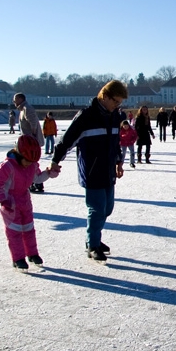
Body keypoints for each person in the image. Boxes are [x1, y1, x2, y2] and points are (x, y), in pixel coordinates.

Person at [50, 80, 128, 262]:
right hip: (92, 171)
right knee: (96, 209)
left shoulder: (115, 116)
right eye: (116, 101)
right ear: (105, 97)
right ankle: (93, 244)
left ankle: (93, 239)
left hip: (108, 170)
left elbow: (115, 142)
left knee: (107, 209)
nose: (118, 105)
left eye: (120, 103)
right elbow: (66, 140)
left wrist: (119, 162)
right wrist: (55, 160)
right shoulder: (86, 116)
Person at [0, 135, 58, 271]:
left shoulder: (31, 165)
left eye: (32, 162)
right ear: (19, 154)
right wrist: (4, 200)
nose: (29, 164)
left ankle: (32, 254)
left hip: (25, 200)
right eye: (27, 160)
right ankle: (18, 258)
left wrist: (49, 173)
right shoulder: (7, 167)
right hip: (10, 203)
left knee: (28, 228)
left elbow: (37, 178)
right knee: (14, 231)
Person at [13, 93, 45, 193]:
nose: (14, 102)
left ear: (20, 99)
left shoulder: (27, 108)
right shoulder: (23, 109)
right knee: (30, 163)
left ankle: (36, 182)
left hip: (30, 143)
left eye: (15, 99)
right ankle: (34, 182)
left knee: (31, 163)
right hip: (28, 142)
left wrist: (32, 139)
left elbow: (33, 123)